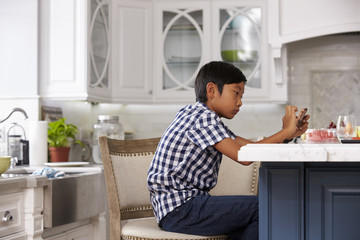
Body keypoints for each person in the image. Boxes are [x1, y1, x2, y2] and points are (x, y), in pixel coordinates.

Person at [147, 61, 309, 239]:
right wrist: (284, 132)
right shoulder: (203, 119)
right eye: (236, 93)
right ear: (212, 90)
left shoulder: (199, 115)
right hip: (181, 209)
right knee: (265, 208)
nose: (240, 102)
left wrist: (286, 135)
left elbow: (249, 147)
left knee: (254, 223)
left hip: (181, 208)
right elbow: (244, 156)